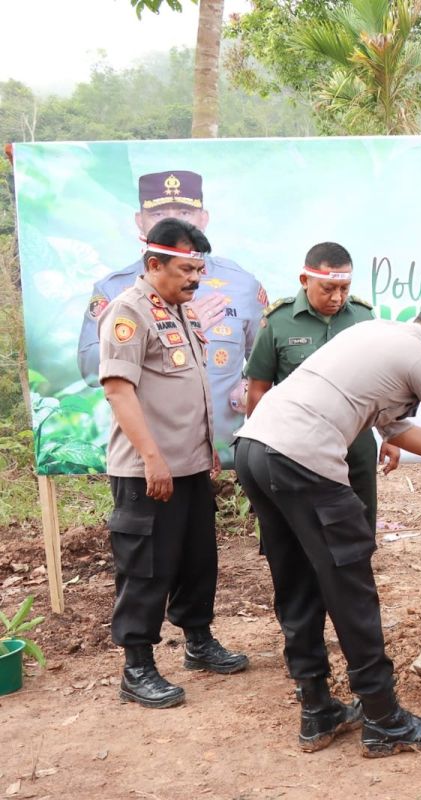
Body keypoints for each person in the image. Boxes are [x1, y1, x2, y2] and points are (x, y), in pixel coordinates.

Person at [234, 297, 421, 756]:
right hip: (303, 457)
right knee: (349, 585)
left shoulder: (374, 334)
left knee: (296, 581)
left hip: (255, 449)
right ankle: (383, 719)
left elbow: (396, 430)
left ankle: (317, 709)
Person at [98, 218, 249, 709]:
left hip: (187, 467)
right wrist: (152, 459)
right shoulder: (129, 312)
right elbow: (119, 390)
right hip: (147, 471)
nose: (195, 279)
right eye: (186, 269)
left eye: (199, 269)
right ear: (153, 264)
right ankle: (137, 668)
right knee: (145, 568)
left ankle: (199, 644)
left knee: (196, 560)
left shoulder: (179, 311)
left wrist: (203, 454)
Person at [79, 170, 268, 465]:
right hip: (150, 455)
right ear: (140, 220)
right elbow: (91, 370)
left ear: (203, 218)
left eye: (184, 211)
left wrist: (248, 387)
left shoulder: (242, 285)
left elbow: (265, 361)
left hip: (228, 453)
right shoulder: (115, 290)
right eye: (159, 212)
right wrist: (180, 330)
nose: (175, 221)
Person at [244, 241, 398, 532]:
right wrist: (259, 444)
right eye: (327, 289)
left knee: (359, 524)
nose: (337, 297)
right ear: (305, 280)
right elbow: (258, 389)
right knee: (302, 527)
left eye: (344, 288)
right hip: (296, 444)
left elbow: (381, 386)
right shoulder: (279, 322)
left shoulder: (364, 318)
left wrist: (391, 435)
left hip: (355, 441)